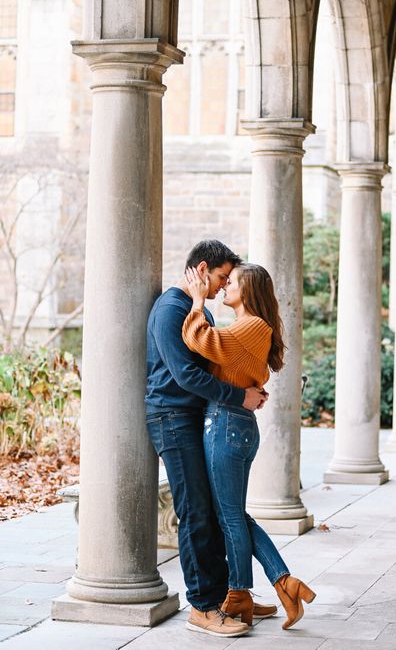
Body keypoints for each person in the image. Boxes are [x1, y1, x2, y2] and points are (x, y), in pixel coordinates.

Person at [145, 240, 274, 638]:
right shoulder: (172, 310)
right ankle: (202, 607)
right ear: (202, 270)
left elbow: (218, 363)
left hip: (193, 417)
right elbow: (187, 377)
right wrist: (241, 397)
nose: (222, 287)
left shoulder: (194, 312)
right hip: (172, 419)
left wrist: (249, 386)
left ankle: (224, 598)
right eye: (220, 278)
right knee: (196, 512)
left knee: (212, 510)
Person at [182, 263, 316, 631]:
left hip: (226, 424)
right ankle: (283, 582)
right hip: (234, 424)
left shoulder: (253, 325)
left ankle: (240, 592)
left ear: (249, 290)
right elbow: (229, 360)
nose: (225, 287)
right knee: (234, 515)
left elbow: (202, 340)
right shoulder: (250, 328)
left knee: (229, 517)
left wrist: (196, 301)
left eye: (232, 282)